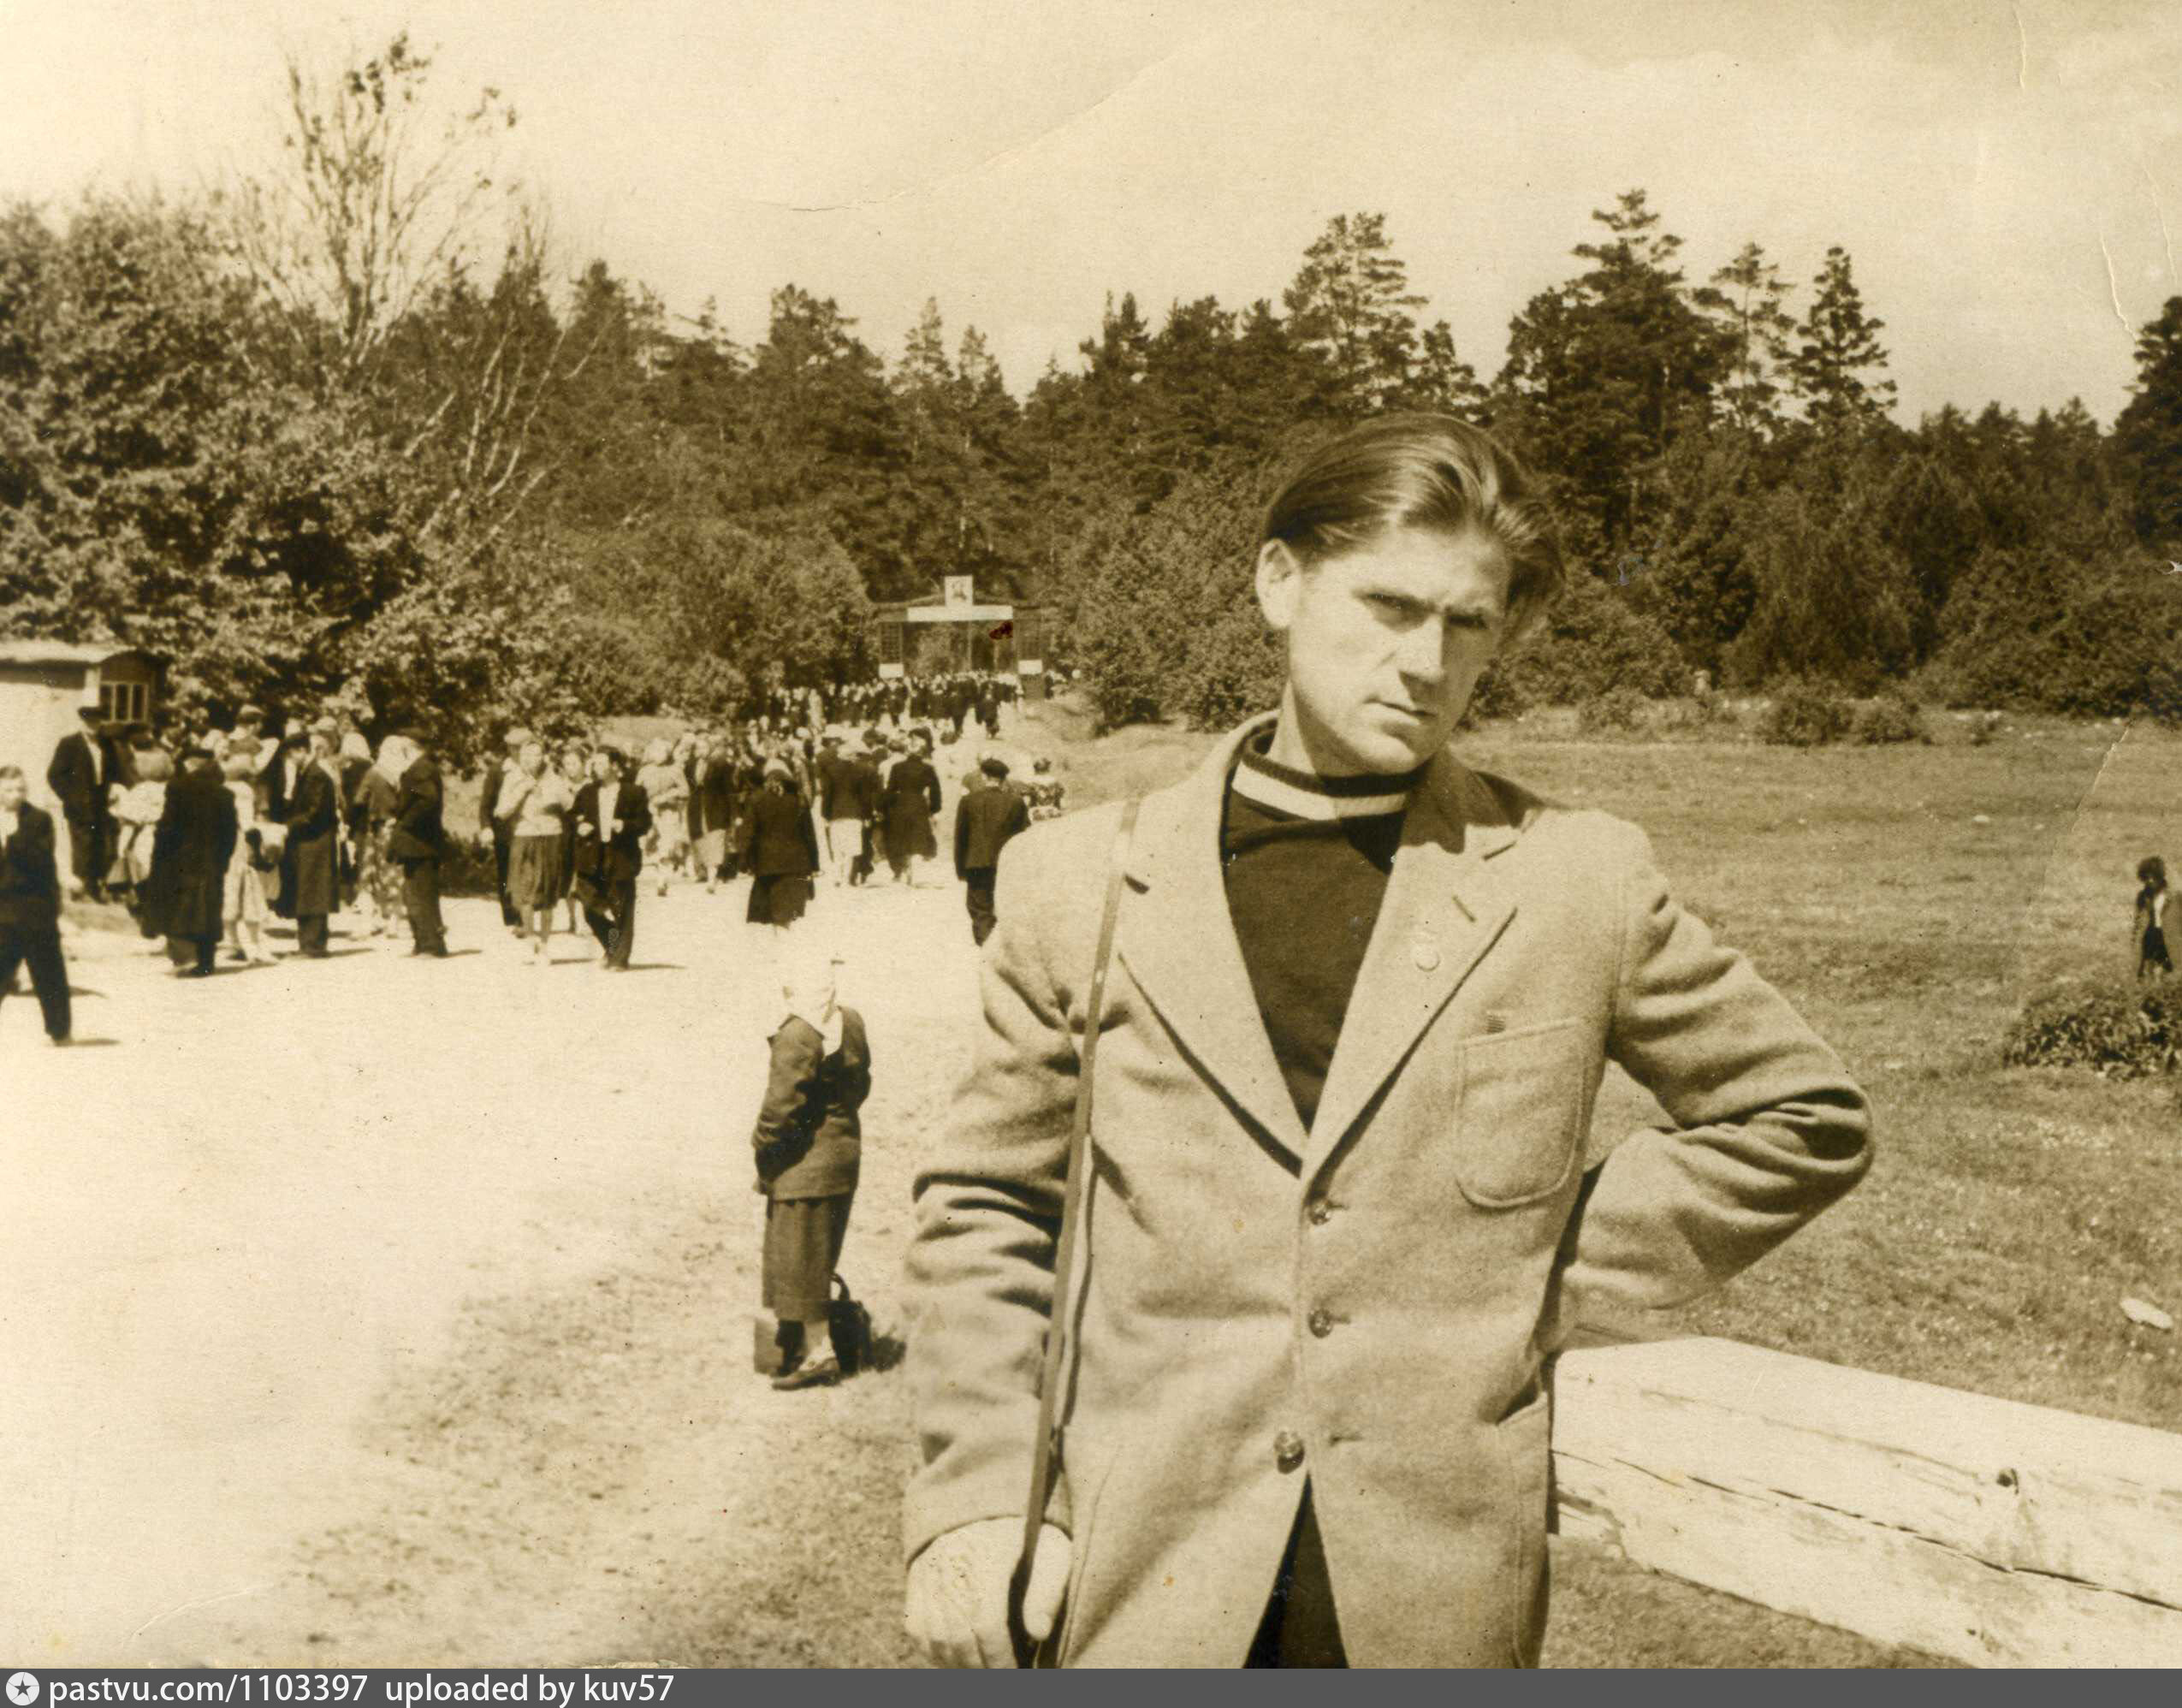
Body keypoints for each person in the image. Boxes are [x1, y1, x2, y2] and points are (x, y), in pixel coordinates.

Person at [901, 413, 1876, 1669]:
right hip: (1136, 1581)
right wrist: (979, 1499)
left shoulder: (1574, 879)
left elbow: (1802, 1117)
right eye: (1389, 606)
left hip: (1428, 1607)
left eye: (1468, 623)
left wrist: (1529, 1274)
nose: (1426, 661)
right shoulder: (1079, 881)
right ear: (1279, 582)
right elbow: (984, 1207)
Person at [753, 942, 870, 1391]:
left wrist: (763, 1151)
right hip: (843, 1155)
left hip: (803, 1166)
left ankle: (819, 1353)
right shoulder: (850, 1021)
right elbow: (861, 1085)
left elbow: (779, 1110)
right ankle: (801, 1342)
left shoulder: (798, 1033)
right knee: (818, 1255)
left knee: (799, 1258)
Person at [141, 744, 239, 978]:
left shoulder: (178, 787)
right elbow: (230, 834)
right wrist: (222, 860)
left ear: (189, 763)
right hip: (211, 861)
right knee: (208, 908)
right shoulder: (224, 793)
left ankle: (185, 958)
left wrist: (160, 853)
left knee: (180, 907)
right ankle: (206, 961)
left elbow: (168, 826)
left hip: (180, 860)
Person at [0, 763, 72, 1044]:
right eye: (9, 790)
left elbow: (41, 859)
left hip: (35, 908)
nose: (16, 795)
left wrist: (12, 838)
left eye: (21, 789)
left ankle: (59, 1031)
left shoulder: (39, 819)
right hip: (4, 910)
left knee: (48, 972)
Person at [570, 746, 651, 970]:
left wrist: (624, 825)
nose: (596, 767)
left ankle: (620, 958)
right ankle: (613, 943)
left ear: (615, 766)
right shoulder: (587, 791)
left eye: (601, 762)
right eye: (594, 763)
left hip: (621, 855)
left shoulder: (634, 792)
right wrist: (579, 826)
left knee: (621, 908)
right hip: (593, 855)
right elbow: (572, 816)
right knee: (589, 908)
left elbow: (645, 823)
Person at [495, 738, 571, 964]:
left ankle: (545, 945)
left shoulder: (554, 778)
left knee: (548, 893)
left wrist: (553, 793)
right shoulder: (512, 778)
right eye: (526, 755)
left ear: (544, 757)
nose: (530, 759)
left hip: (550, 836)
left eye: (536, 755)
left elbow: (570, 803)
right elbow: (501, 812)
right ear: (520, 757)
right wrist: (522, 790)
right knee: (524, 892)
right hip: (524, 836)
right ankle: (530, 938)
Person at [277, 721, 342, 958]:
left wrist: (287, 827)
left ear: (302, 751)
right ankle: (308, 943)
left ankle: (313, 945)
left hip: (316, 842)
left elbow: (314, 812)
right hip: (309, 841)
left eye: (292, 754)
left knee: (313, 892)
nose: (290, 759)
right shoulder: (307, 773)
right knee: (307, 891)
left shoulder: (316, 775)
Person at [954, 755, 1031, 946]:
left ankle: (986, 945)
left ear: (984, 776)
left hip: (976, 863)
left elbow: (961, 837)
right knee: (1006, 905)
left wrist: (961, 869)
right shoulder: (1016, 802)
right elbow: (1023, 836)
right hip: (1006, 863)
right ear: (1004, 779)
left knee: (980, 908)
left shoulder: (968, 801)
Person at [385, 730, 449, 958]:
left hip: (420, 841)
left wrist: (406, 822)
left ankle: (431, 944)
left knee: (421, 893)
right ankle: (424, 942)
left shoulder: (421, 768)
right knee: (414, 892)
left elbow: (427, 800)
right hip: (418, 842)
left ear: (411, 746)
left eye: (403, 746)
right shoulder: (420, 767)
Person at [740, 761, 821, 932]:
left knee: (771, 910)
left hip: (766, 863)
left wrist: (744, 861)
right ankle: (784, 938)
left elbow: (748, 833)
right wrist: (814, 865)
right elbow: (809, 836)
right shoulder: (799, 800)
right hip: (796, 863)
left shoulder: (756, 800)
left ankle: (778, 940)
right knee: (787, 911)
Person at [46, 703, 116, 901]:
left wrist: (113, 790)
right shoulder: (69, 744)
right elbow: (54, 775)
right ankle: (80, 889)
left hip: (100, 803)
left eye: (97, 722)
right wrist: (70, 797)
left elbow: (113, 771)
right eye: (89, 722)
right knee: (82, 846)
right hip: (79, 805)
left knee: (98, 845)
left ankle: (94, 888)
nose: (93, 726)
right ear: (82, 722)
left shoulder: (106, 744)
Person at [219, 751, 276, 965]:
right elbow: (246, 823)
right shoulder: (243, 790)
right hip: (240, 844)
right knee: (249, 892)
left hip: (224, 844)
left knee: (230, 891)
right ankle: (255, 946)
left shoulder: (223, 787)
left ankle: (234, 942)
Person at [352, 739, 406, 939]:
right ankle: (394, 921)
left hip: (375, 829)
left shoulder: (374, 773)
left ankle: (370, 921)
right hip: (396, 828)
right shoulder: (403, 775)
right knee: (393, 874)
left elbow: (359, 799)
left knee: (370, 875)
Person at [478, 726, 528, 933]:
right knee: (506, 874)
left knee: (528, 874)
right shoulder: (498, 771)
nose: (516, 751)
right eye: (512, 747)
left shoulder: (535, 769)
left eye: (520, 747)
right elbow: (486, 804)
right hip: (505, 832)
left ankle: (525, 917)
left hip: (529, 830)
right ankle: (511, 918)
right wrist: (486, 827)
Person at [881, 730, 943, 887]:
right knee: (917, 835)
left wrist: (884, 806)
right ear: (922, 753)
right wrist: (934, 808)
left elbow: (891, 789)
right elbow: (935, 790)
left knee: (901, 836)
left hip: (901, 803)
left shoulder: (897, 767)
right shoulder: (928, 769)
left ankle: (903, 868)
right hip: (919, 804)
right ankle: (914, 870)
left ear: (907, 752)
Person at [638, 737, 691, 898]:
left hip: (668, 812)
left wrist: (667, 796)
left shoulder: (675, 770)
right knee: (649, 845)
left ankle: (662, 880)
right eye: (655, 750)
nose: (659, 754)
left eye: (662, 751)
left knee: (666, 846)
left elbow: (685, 790)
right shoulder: (644, 771)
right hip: (648, 812)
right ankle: (658, 869)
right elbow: (636, 791)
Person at [2135, 855, 2173, 979]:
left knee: (2167, 967)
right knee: (2147, 969)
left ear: (2160, 876)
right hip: (2151, 934)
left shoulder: (2171, 895)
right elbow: (2138, 919)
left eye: (2154, 877)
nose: (2150, 881)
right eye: (2147, 877)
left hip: (2168, 934)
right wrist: (2135, 937)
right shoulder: (2143, 896)